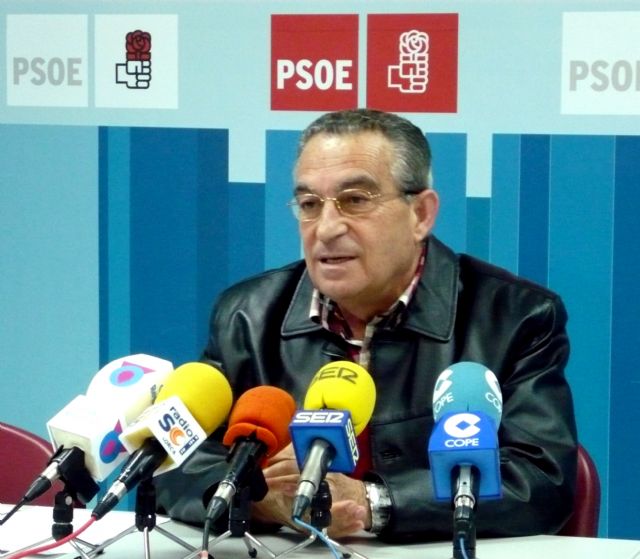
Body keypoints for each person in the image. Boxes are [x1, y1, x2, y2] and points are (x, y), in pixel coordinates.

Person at [155, 108, 577, 542]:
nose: (326, 228)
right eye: (309, 204)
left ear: (421, 214)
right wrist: (262, 500)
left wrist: (373, 501)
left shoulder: (515, 317)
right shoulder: (247, 315)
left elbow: (541, 481)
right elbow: (174, 459)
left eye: (355, 200)